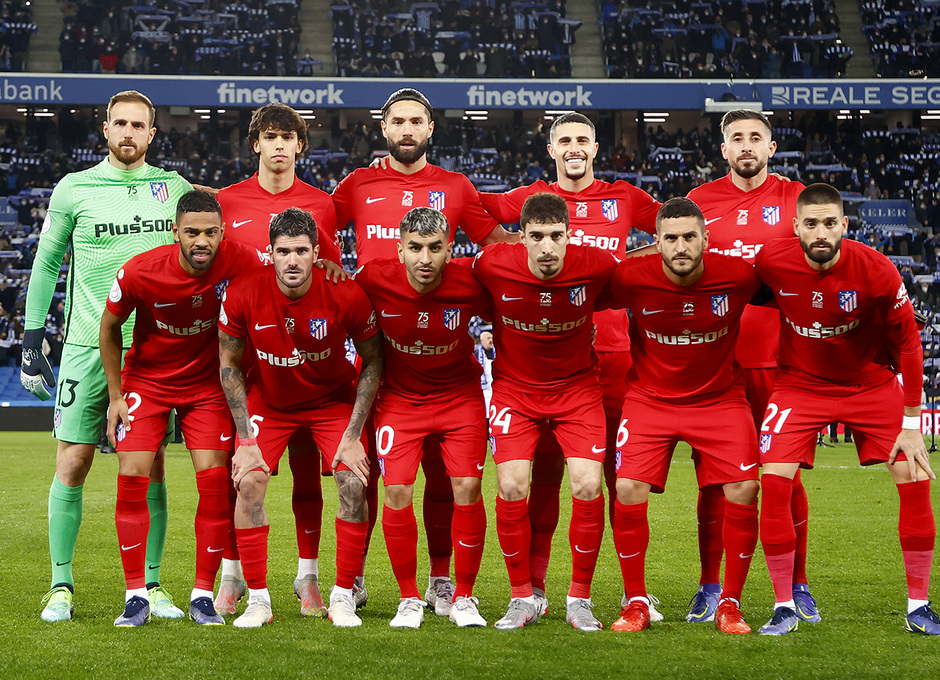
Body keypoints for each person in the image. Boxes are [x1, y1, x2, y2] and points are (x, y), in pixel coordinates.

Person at [331, 87, 514, 616]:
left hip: (442, 352)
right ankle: (356, 579)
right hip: (378, 356)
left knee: (448, 481)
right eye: (398, 122)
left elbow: (495, 243)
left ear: (430, 129)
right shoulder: (358, 183)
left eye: (417, 121)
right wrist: (337, 271)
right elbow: (320, 234)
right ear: (383, 129)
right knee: (365, 479)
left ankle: (442, 584)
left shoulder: (455, 187)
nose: (407, 129)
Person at [21, 90, 193, 622]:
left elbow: (207, 246)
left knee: (153, 467)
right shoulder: (75, 188)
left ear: (151, 134)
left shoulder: (175, 189)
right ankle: (60, 586)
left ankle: (155, 586)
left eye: (138, 125)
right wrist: (32, 339)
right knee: (72, 461)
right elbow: (47, 263)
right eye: (119, 123)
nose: (128, 132)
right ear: (104, 129)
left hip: (153, 348)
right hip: (85, 345)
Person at [479, 111, 660, 616]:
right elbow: (467, 210)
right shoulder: (528, 199)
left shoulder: (624, 197)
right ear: (552, 148)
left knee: (618, 479)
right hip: (538, 361)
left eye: (583, 138)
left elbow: (678, 226)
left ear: (596, 147)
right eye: (565, 140)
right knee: (540, 480)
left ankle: (632, 589)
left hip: (616, 359)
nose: (574, 146)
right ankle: (532, 590)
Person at [753, 183, 937, 635]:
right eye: (811, 224)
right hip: (800, 384)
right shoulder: (771, 262)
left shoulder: (876, 270)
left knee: (913, 475)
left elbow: (911, 344)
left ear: (844, 226)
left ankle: (918, 605)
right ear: (795, 226)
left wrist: (913, 424)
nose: (821, 233)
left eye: (830, 224)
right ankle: (783, 606)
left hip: (869, 383)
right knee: (773, 482)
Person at [217, 207, 382, 629]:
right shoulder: (242, 292)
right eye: (284, 251)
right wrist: (245, 440)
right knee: (249, 480)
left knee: (352, 479)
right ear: (269, 253)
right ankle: (258, 600)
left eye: (302, 251)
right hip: (270, 403)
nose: (293, 260)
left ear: (317, 254)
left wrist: (352, 434)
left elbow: (373, 362)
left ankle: (343, 595)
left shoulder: (345, 293)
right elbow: (229, 365)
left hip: (330, 401)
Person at [602, 197, 761, 634]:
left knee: (745, 487)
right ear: (655, 243)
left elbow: (800, 290)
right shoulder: (630, 277)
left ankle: (729, 603)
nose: (680, 246)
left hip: (719, 399)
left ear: (706, 239)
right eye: (670, 238)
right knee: (628, 486)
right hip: (650, 398)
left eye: (690, 236)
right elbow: (572, 291)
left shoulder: (740, 276)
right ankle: (635, 601)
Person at [100, 190, 257, 626]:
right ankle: (136, 595)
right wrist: (115, 396)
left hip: (207, 388)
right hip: (147, 383)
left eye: (210, 232)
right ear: (176, 232)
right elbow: (109, 326)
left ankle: (203, 595)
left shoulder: (244, 260)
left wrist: (326, 267)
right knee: (131, 477)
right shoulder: (141, 271)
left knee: (213, 483)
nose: (201, 240)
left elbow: (286, 275)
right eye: (192, 232)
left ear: (223, 232)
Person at [214, 102, 343, 618]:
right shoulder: (225, 202)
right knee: (240, 469)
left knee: (309, 474)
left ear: (300, 146)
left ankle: (307, 578)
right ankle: (232, 577)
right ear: (256, 144)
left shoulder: (322, 205)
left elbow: (331, 270)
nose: (281, 145)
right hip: (247, 362)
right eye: (271, 136)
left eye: (290, 137)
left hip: (306, 364)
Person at [684, 109, 813, 623]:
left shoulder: (795, 198)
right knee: (713, 480)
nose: (745, 146)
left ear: (771, 147)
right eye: (736, 138)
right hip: (714, 360)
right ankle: (710, 585)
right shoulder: (700, 202)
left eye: (755, 138)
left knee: (785, 478)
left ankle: (799, 584)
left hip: (777, 360)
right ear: (723, 149)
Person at [471, 192, 616, 631]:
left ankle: (580, 598)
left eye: (557, 236)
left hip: (578, 392)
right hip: (516, 392)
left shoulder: (598, 265)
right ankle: (521, 597)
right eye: (537, 237)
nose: (548, 247)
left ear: (570, 235)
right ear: (523, 238)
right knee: (513, 485)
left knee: (589, 485)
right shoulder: (492, 262)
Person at [355, 207, 491, 628]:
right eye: (415, 248)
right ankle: (409, 597)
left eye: (435, 248)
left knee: (466, 486)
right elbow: (334, 299)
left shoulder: (471, 281)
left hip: (459, 397)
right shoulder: (372, 278)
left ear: (451, 248)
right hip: (399, 400)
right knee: (396, 493)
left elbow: (512, 304)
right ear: (400, 249)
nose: (425, 259)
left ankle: (462, 595)